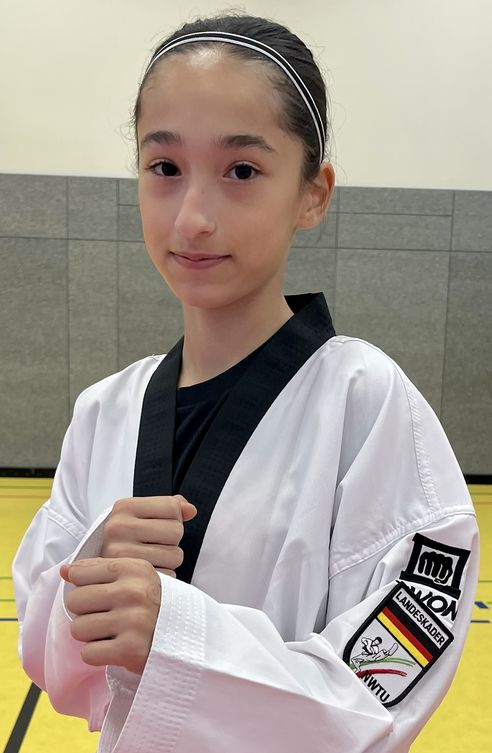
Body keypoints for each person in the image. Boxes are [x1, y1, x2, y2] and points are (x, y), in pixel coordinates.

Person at [12, 11, 479, 753]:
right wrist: (88, 589)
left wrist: (177, 636)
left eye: (241, 171)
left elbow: (381, 692)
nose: (193, 218)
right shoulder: (105, 412)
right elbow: (50, 665)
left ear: (312, 194)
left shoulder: (368, 408)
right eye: (164, 168)